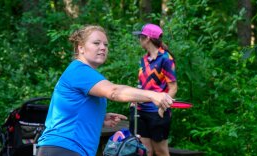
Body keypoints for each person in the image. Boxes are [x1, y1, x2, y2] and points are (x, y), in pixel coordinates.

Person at [36, 25, 174, 156]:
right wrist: (153, 95)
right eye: (96, 43)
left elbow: (73, 111)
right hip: (63, 149)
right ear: (81, 48)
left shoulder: (86, 74)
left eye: (105, 45)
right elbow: (114, 91)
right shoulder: (79, 71)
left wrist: (100, 118)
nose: (103, 47)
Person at [130, 23, 177, 156]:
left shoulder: (166, 59)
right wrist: (134, 99)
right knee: (145, 152)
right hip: (139, 111)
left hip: (157, 112)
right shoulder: (144, 59)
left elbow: (173, 88)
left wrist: (162, 108)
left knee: (161, 151)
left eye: (141, 36)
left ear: (148, 38)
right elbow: (143, 85)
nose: (139, 39)